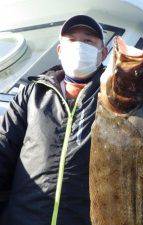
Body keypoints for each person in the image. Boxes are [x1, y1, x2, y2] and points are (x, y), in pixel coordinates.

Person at [0, 15, 108, 225]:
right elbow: (4, 147)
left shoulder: (113, 99)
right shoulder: (31, 94)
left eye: (88, 41)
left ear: (102, 53)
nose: (79, 46)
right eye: (71, 40)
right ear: (60, 50)